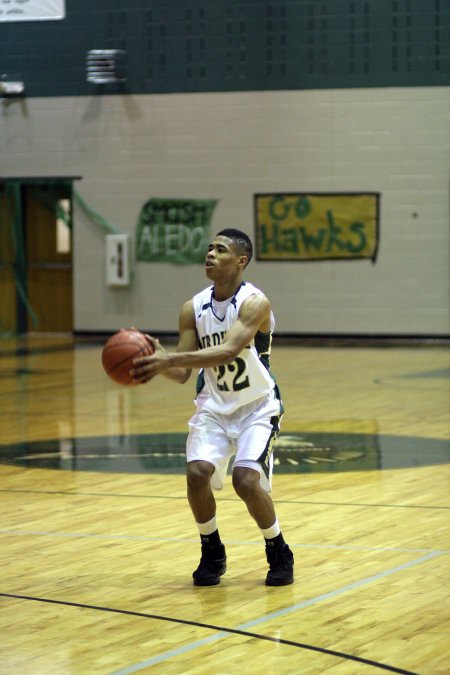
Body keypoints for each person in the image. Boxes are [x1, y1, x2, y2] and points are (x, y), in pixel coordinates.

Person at [131, 228, 294, 587]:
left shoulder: (255, 302)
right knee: (196, 474)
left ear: (241, 260)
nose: (209, 255)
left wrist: (172, 357)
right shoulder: (193, 307)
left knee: (246, 481)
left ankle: (277, 547)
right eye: (208, 249)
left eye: (220, 250)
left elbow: (228, 350)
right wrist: (156, 363)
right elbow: (181, 373)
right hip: (214, 406)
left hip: (257, 406)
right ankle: (211, 548)